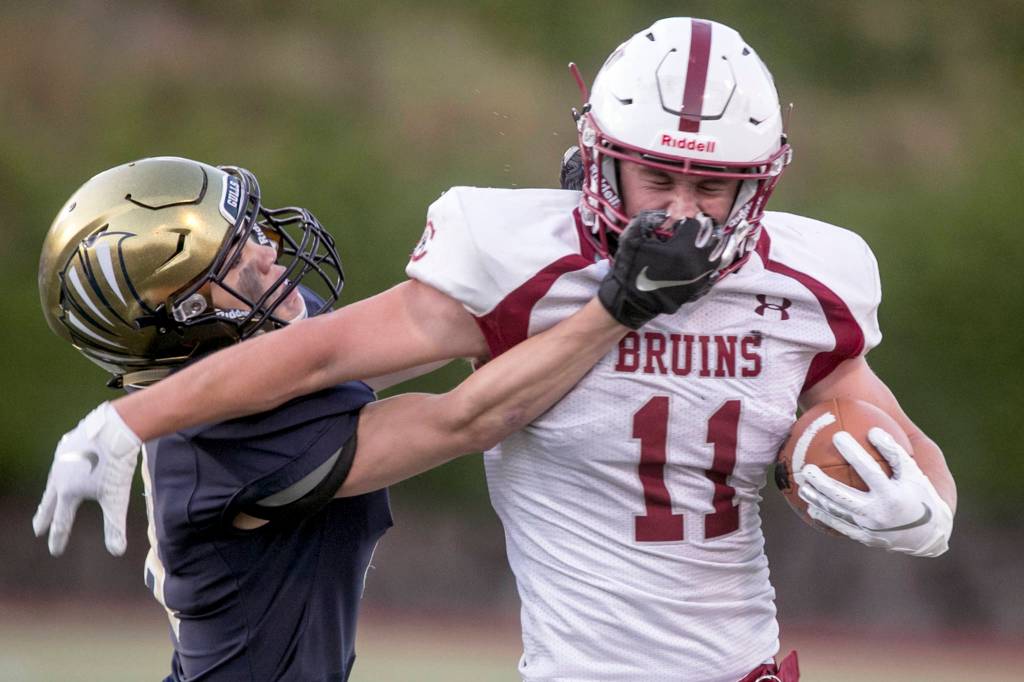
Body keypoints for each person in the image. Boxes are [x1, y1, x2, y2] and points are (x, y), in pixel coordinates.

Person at [34, 18, 956, 682]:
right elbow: (334, 361)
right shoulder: (516, 255)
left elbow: (873, 413)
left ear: (759, 184)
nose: (680, 208)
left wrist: (931, 510)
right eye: (658, 175)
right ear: (602, 156)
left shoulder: (814, 275)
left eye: (712, 185)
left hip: (751, 665)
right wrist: (128, 418)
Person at [33, 156, 704, 681]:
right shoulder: (213, 442)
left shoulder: (254, 356)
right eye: (235, 262)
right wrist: (618, 304)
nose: (268, 253)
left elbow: (442, 327)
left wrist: (579, 229)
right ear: (178, 323)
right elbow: (465, 419)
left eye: (252, 231)